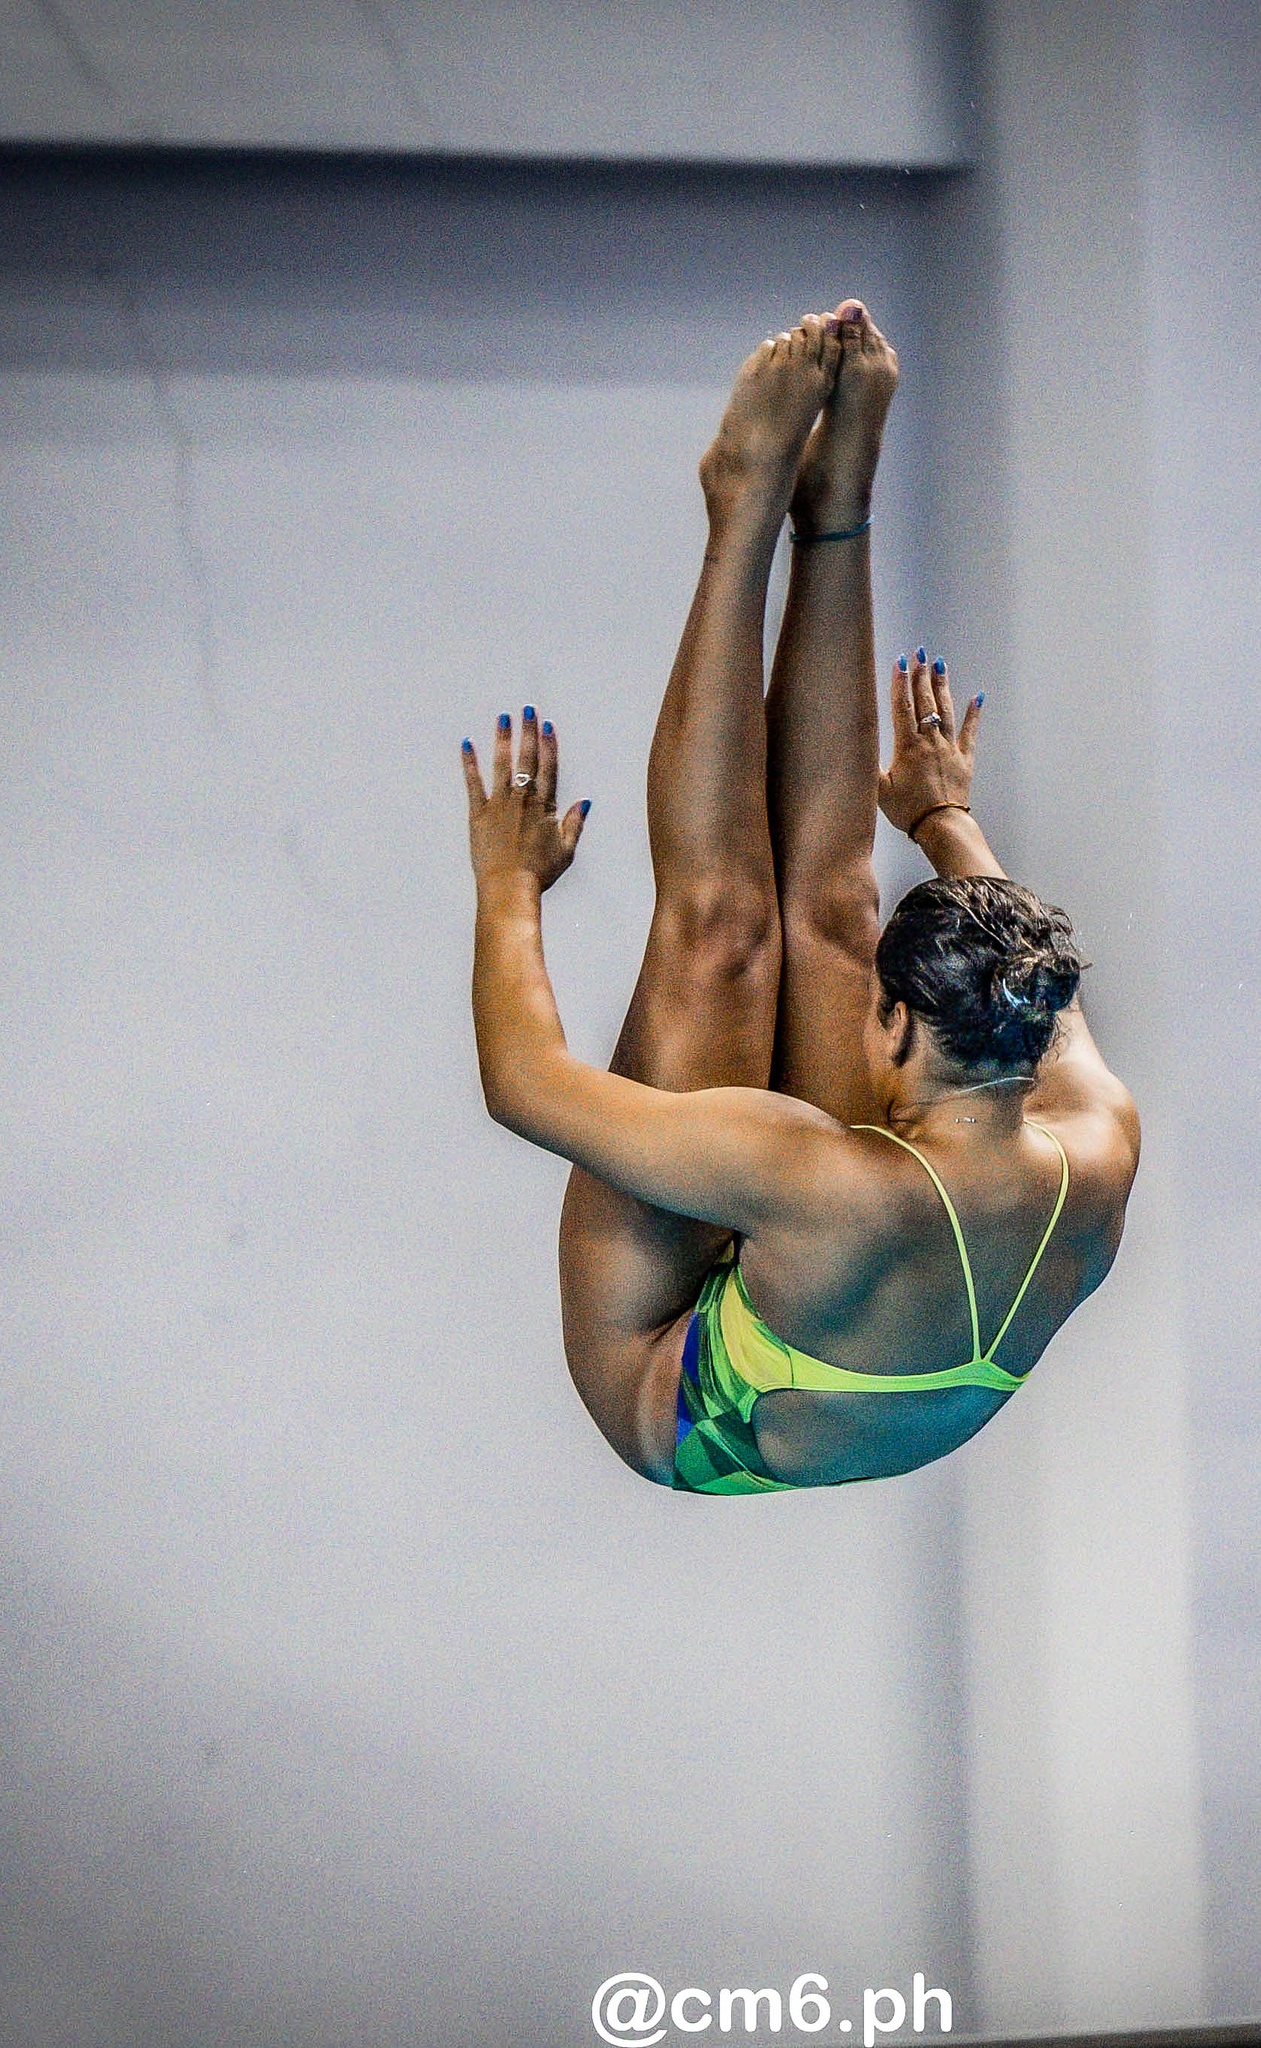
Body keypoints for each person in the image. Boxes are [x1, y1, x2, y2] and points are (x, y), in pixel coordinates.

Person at [461, 302, 1138, 1493]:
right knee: (828, 914)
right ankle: (837, 512)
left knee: (722, 930)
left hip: (668, 1385)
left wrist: (507, 888)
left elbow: (524, 1087)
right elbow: (1042, 976)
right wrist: (937, 814)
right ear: (1028, 1038)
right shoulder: (1089, 1137)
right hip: (837, 1284)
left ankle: (742, 512)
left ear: (899, 1022)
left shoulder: (813, 1169)